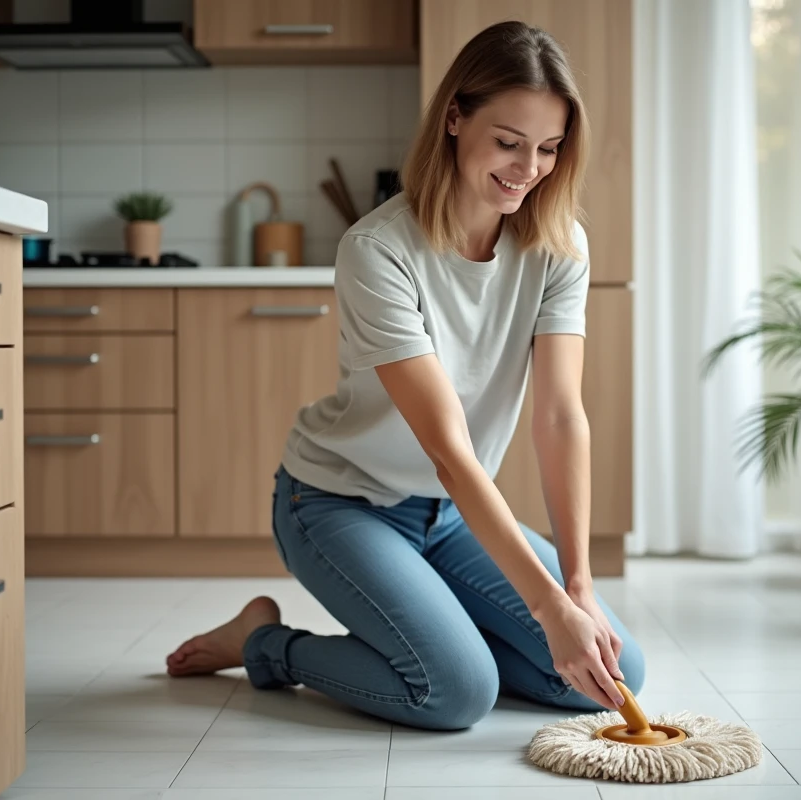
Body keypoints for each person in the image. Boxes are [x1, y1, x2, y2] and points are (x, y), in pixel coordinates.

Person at [166, 19, 645, 731]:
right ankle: (263, 642)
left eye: (548, 148)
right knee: (456, 693)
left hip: (448, 516)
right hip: (338, 504)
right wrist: (546, 608)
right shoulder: (378, 250)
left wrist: (576, 587)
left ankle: (440, 632)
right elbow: (450, 450)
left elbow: (559, 417)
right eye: (508, 142)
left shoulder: (558, 244)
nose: (528, 167)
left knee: (613, 672)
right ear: (455, 117)